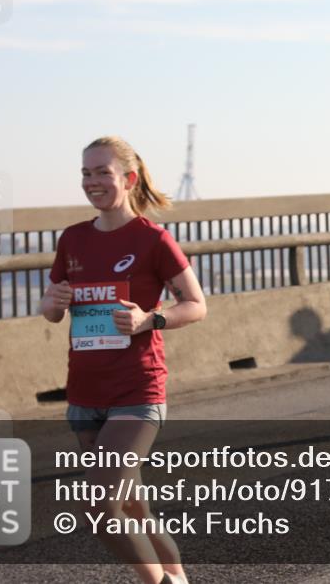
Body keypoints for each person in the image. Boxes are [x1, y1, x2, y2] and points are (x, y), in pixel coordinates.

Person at [42, 136, 207, 584]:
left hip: (137, 390)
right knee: (133, 506)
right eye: (85, 173)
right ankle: (177, 575)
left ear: (129, 179)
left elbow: (195, 304)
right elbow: (53, 311)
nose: (91, 182)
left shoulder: (152, 239)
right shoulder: (72, 238)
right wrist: (53, 301)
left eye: (102, 173)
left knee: (99, 507)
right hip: (84, 394)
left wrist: (148, 320)